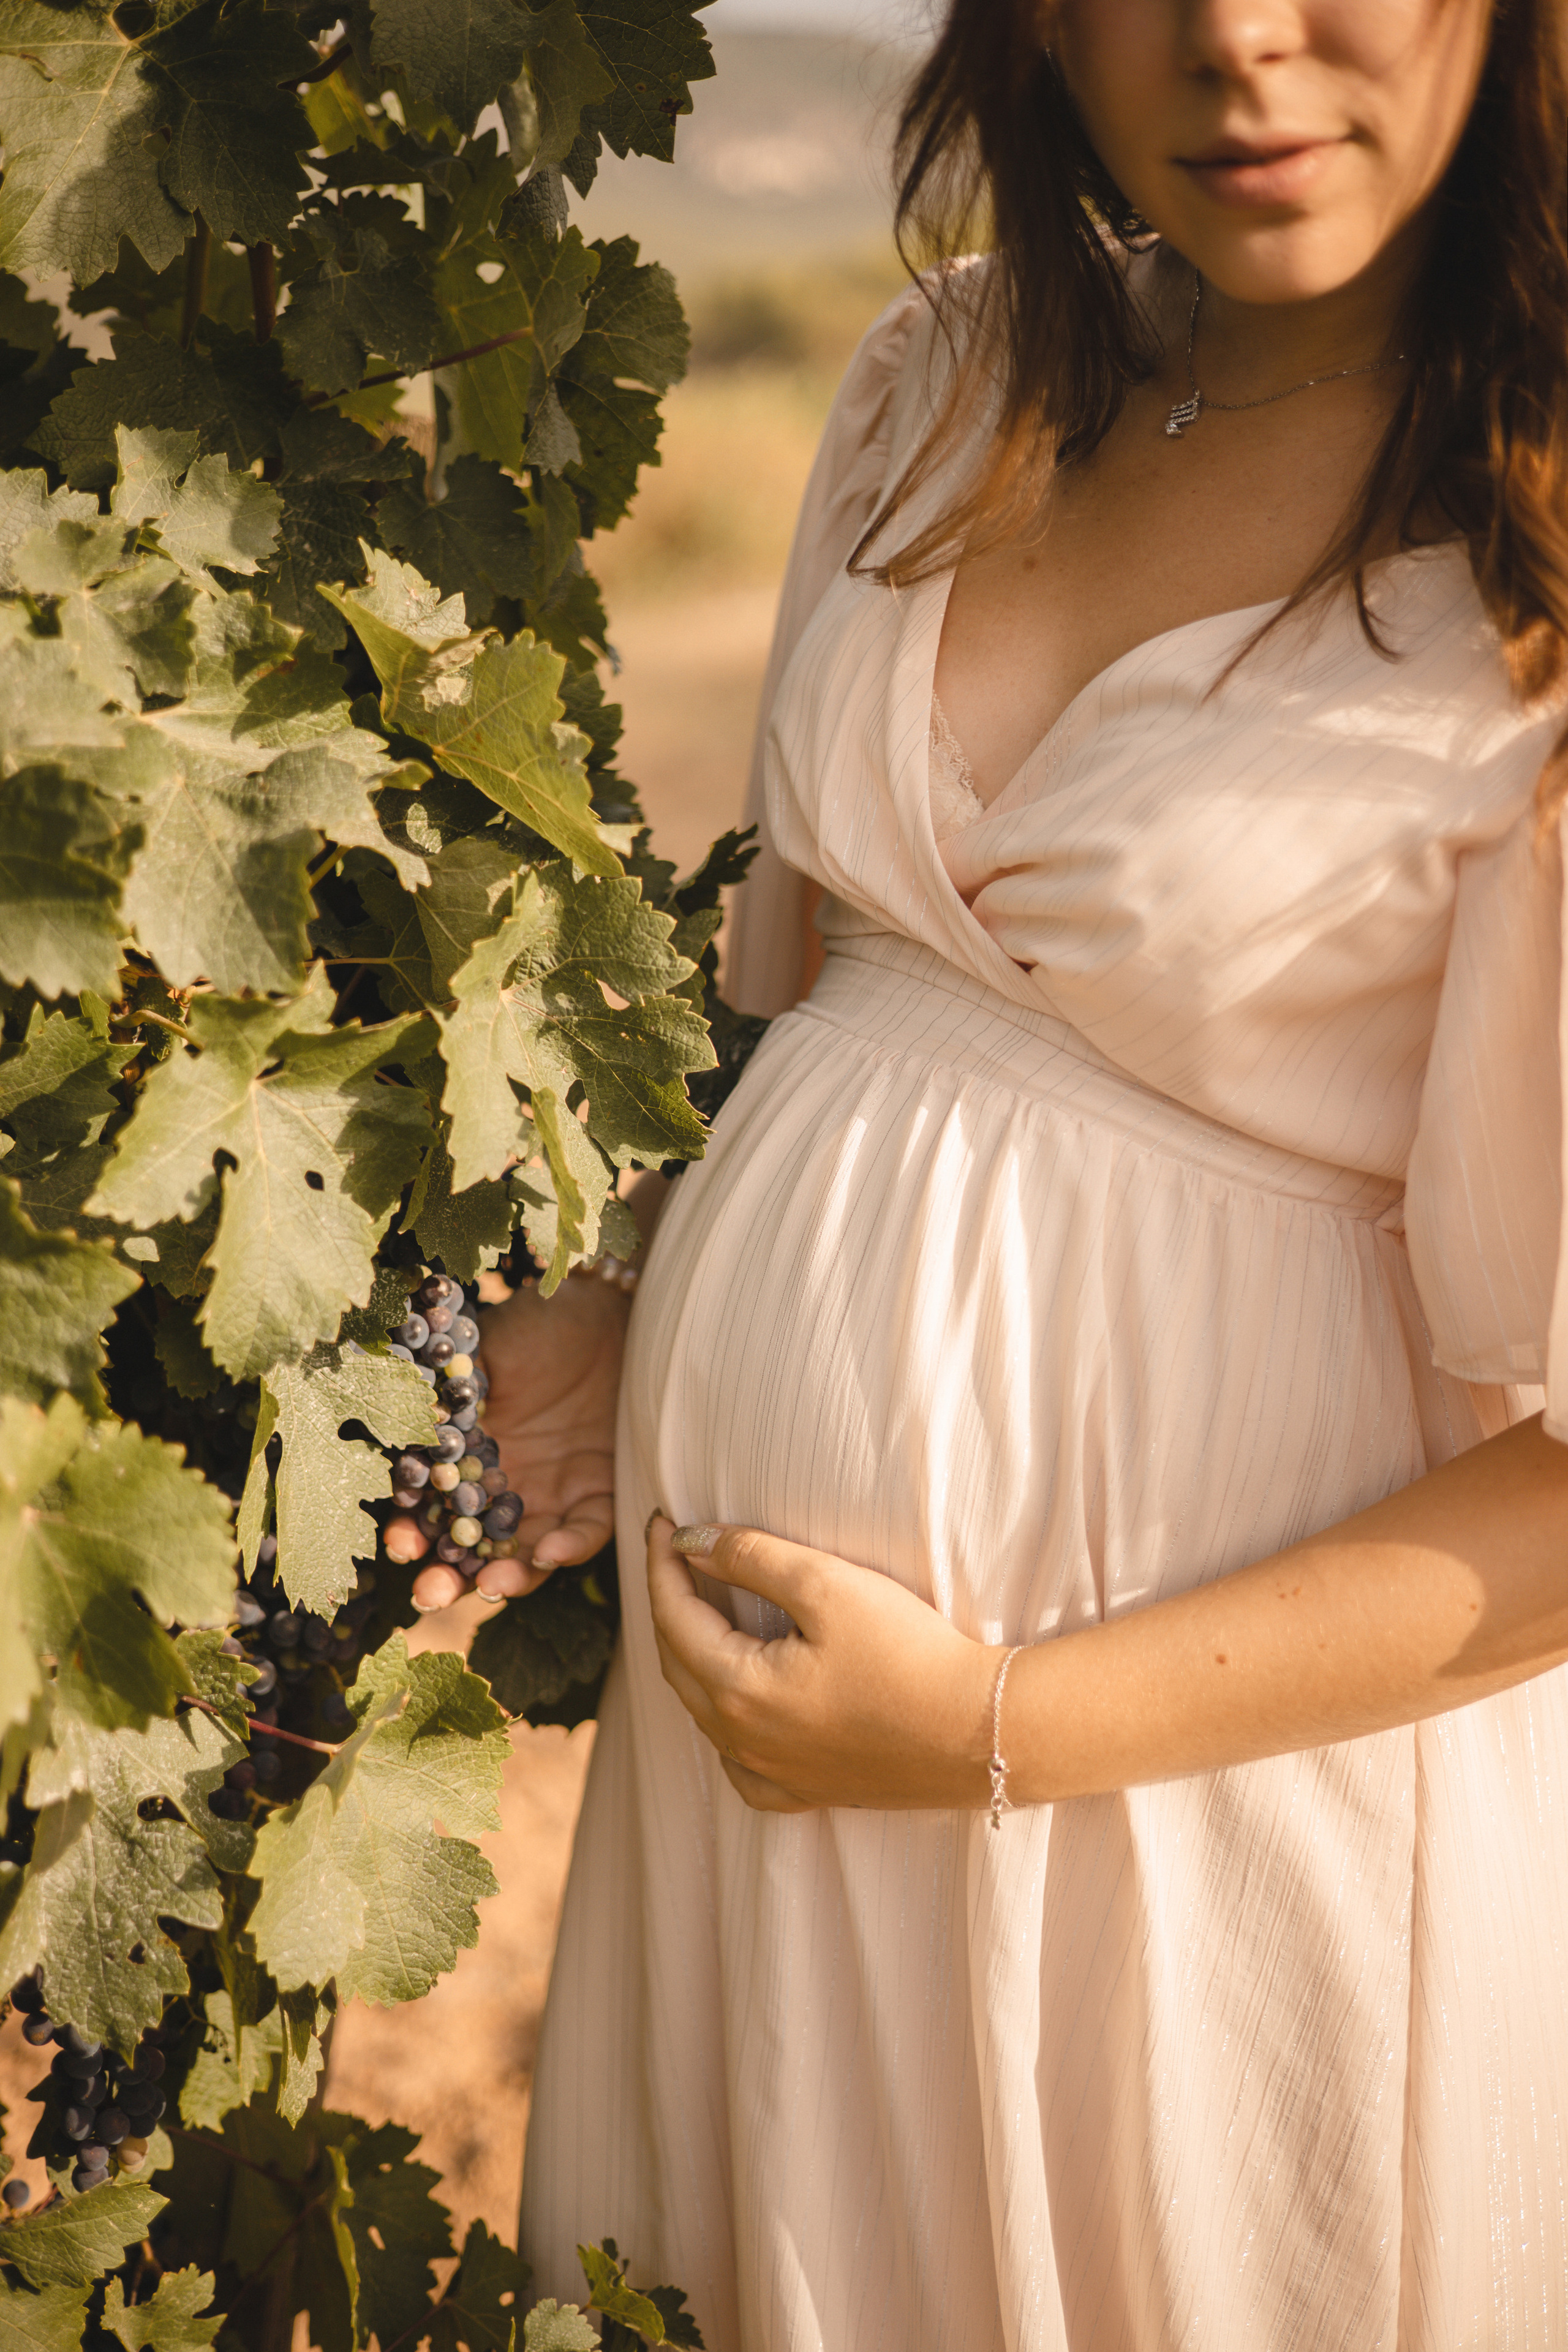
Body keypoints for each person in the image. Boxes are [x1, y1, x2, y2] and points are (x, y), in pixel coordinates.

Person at [421, 2, 1568, 2343]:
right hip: (760, 1788)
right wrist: (624, 1305)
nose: (1246, 35)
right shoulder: (938, 382)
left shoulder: (1543, 558)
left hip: (1189, 1825)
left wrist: (991, 1735)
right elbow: (818, 1015)